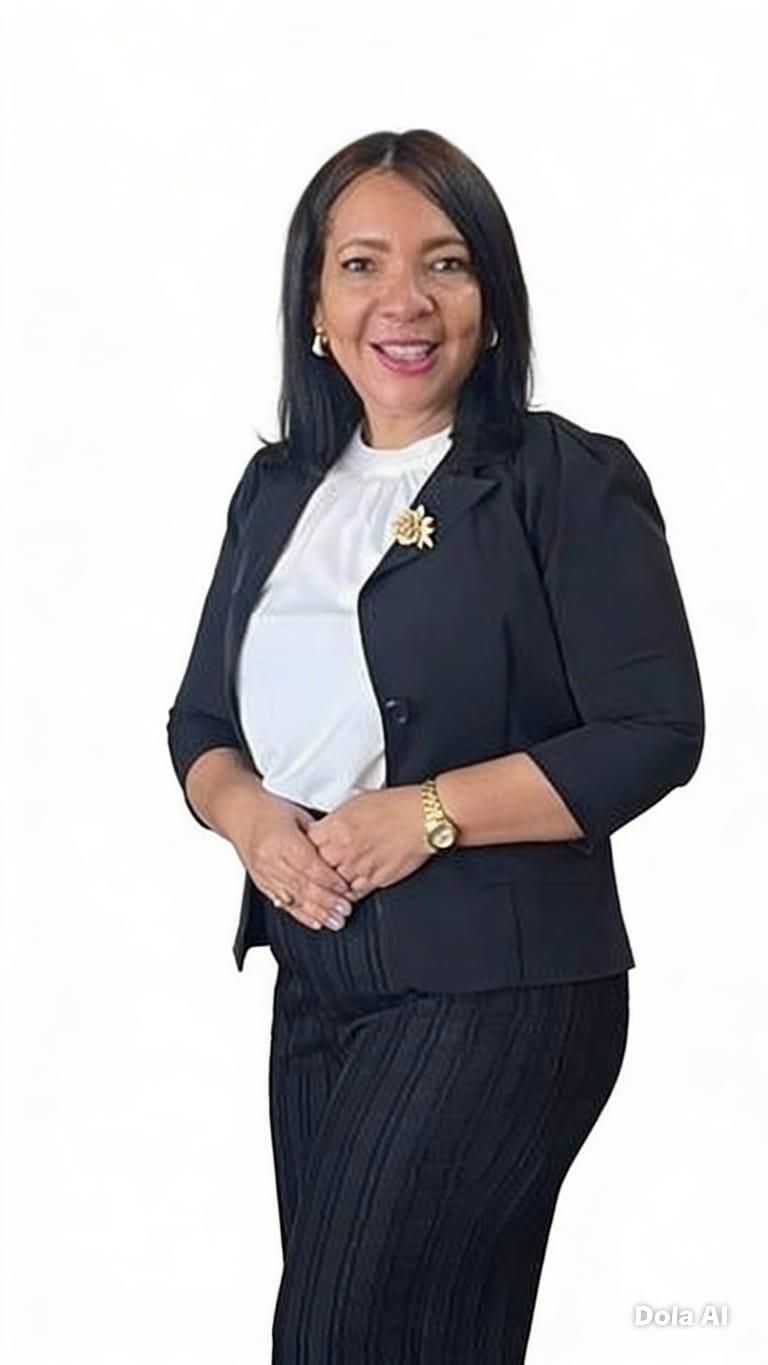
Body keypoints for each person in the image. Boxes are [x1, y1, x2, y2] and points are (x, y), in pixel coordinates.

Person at [166, 128, 705, 1364]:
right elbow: (202, 723)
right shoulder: (277, 491)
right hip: (317, 974)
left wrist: (428, 813)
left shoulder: (561, 477)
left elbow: (655, 730)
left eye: (445, 263)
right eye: (361, 265)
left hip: (500, 982)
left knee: (338, 1339)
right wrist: (249, 820)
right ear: (315, 305)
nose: (402, 300)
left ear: (491, 297)